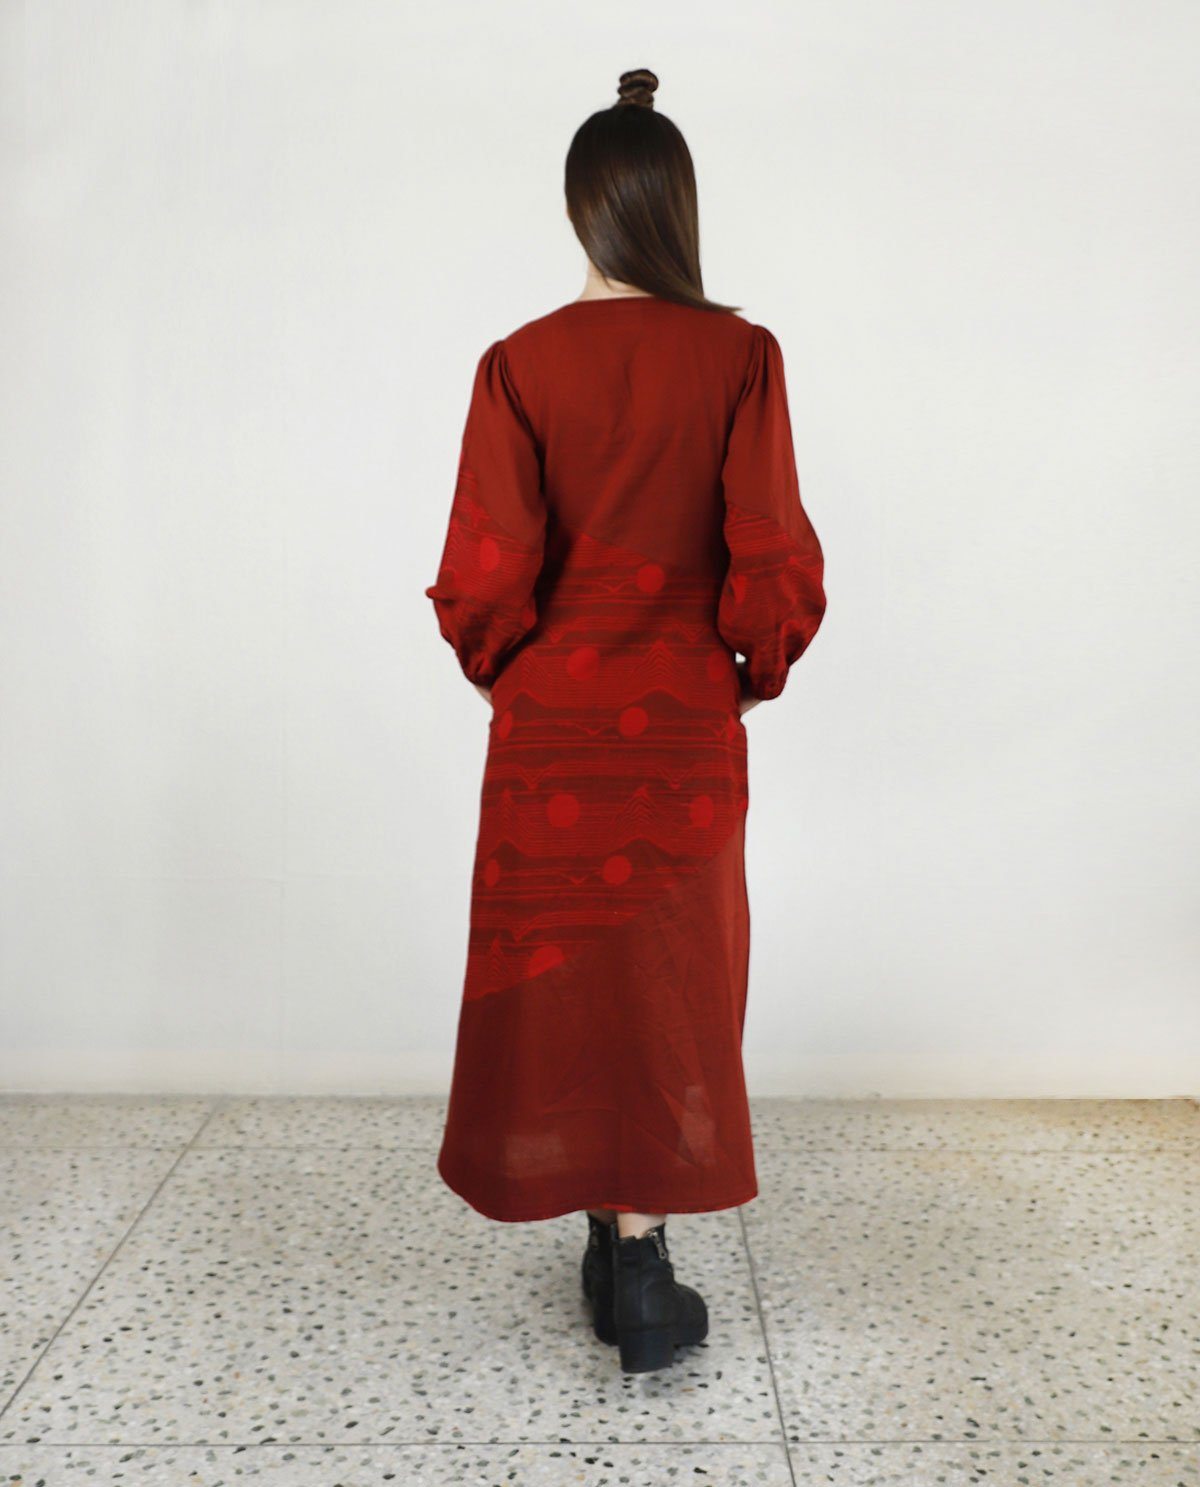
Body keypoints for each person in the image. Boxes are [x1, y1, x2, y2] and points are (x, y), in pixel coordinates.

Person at [425, 67, 827, 1374]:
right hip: (682, 726)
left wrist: (512, 675)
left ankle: (616, 1242)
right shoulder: (741, 359)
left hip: (549, 727)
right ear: (675, 208)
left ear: (578, 209)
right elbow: (771, 553)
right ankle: (637, 1263)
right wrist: (748, 670)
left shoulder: (519, 364)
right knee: (665, 981)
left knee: (566, 980)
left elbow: (485, 569)